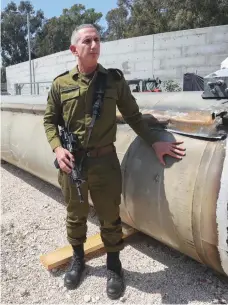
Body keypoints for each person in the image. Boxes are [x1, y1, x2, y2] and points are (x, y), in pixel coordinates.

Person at [43, 24, 186, 300]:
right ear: (75, 49)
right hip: (72, 163)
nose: (94, 45)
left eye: (97, 39)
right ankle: (78, 259)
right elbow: (49, 120)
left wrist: (154, 141)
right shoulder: (60, 84)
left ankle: (114, 265)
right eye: (87, 41)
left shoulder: (113, 81)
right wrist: (58, 149)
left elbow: (133, 115)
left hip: (105, 163)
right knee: (75, 214)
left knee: (110, 217)